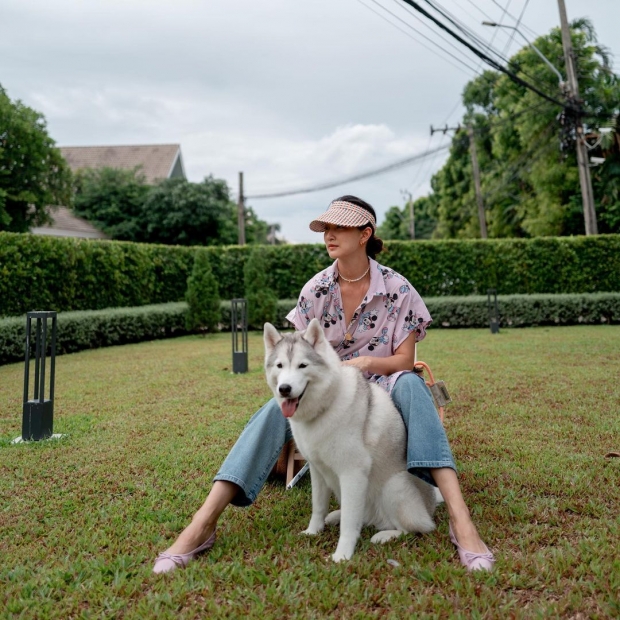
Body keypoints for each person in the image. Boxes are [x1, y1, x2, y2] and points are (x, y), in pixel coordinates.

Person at [153, 196, 495, 573]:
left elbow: (405, 361)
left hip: (385, 384)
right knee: (273, 409)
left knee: (413, 385)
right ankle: (203, 522)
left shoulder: (399, 289)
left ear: (365, 234)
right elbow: (296, 361)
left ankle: (460, 519)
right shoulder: (315, 290)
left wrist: (365, 363)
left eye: (339, 228)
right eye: (325, 229)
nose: (328, 235)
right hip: (330, 392)